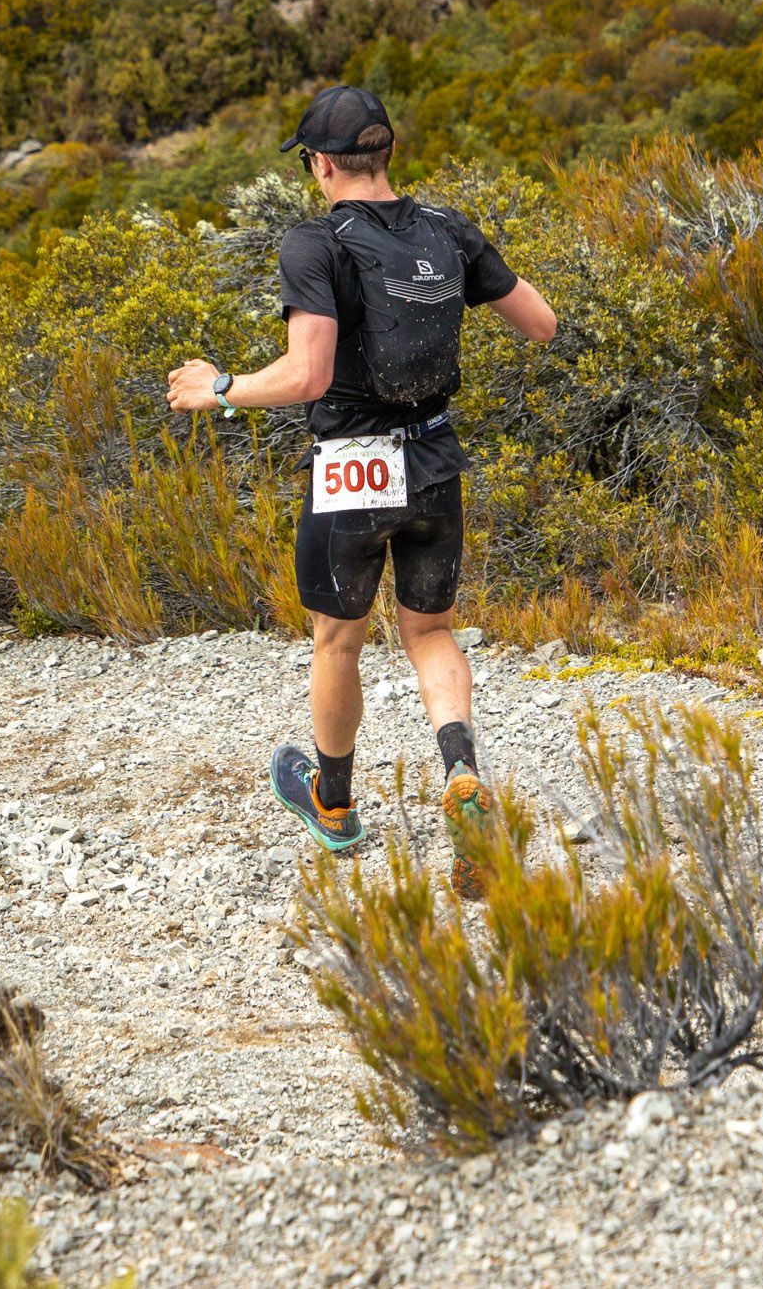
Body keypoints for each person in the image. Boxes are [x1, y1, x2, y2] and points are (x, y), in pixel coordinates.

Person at [166, 85, 557, 897]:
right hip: (433, 457)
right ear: (387, 155)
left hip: (351, 464)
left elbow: (308, 373)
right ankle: (460, 773)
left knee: (337, 640)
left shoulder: (313, 243)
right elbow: (541, 323)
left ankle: (334, 805)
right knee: (430, 632)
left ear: (317, 164)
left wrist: (222, 386)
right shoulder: (448, 229)